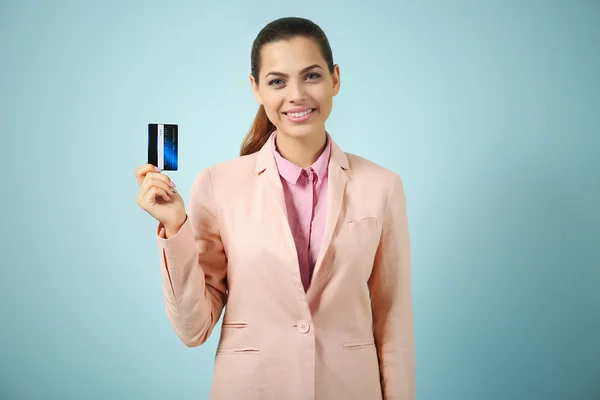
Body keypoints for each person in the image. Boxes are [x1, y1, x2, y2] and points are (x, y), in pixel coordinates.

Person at [135, 16, 415, 400]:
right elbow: (193, 328)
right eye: (277, 81)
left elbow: (393, 321)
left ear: (335, 78)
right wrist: (174, 228)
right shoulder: (218, 185)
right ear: (256, 88)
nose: (296, 94)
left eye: (312, 76)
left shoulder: (382, 186)